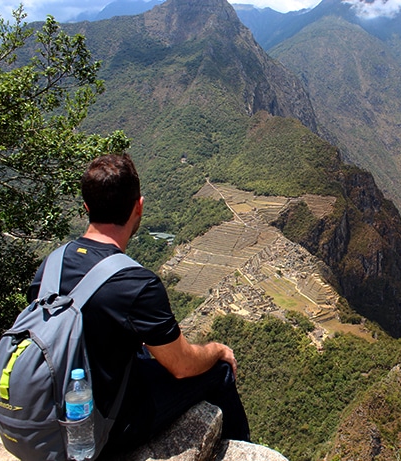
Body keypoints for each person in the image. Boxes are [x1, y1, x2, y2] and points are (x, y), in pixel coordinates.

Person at [27, 153, 250, 456]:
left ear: (87, 208)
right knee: (220, 370)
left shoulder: (50, 265)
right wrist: (218, 350)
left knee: (146, 350)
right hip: (108, 425)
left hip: (50, 408)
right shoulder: (135, 283)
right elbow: (183, 366)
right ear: (139, 207)